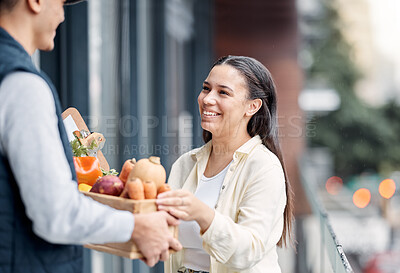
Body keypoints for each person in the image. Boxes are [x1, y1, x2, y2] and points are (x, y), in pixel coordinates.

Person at [0, 0, 181, 272]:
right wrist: (136, 226)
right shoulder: (24, 86)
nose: (62, 15)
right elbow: (56, 215)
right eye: (61, 3)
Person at [156, 55, 294, 273]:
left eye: (223, 92)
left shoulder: (264, 167)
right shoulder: (185, 164)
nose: (208, 99)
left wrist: (203, 214)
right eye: (206, 88)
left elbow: (249, 250)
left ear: (252, 106)